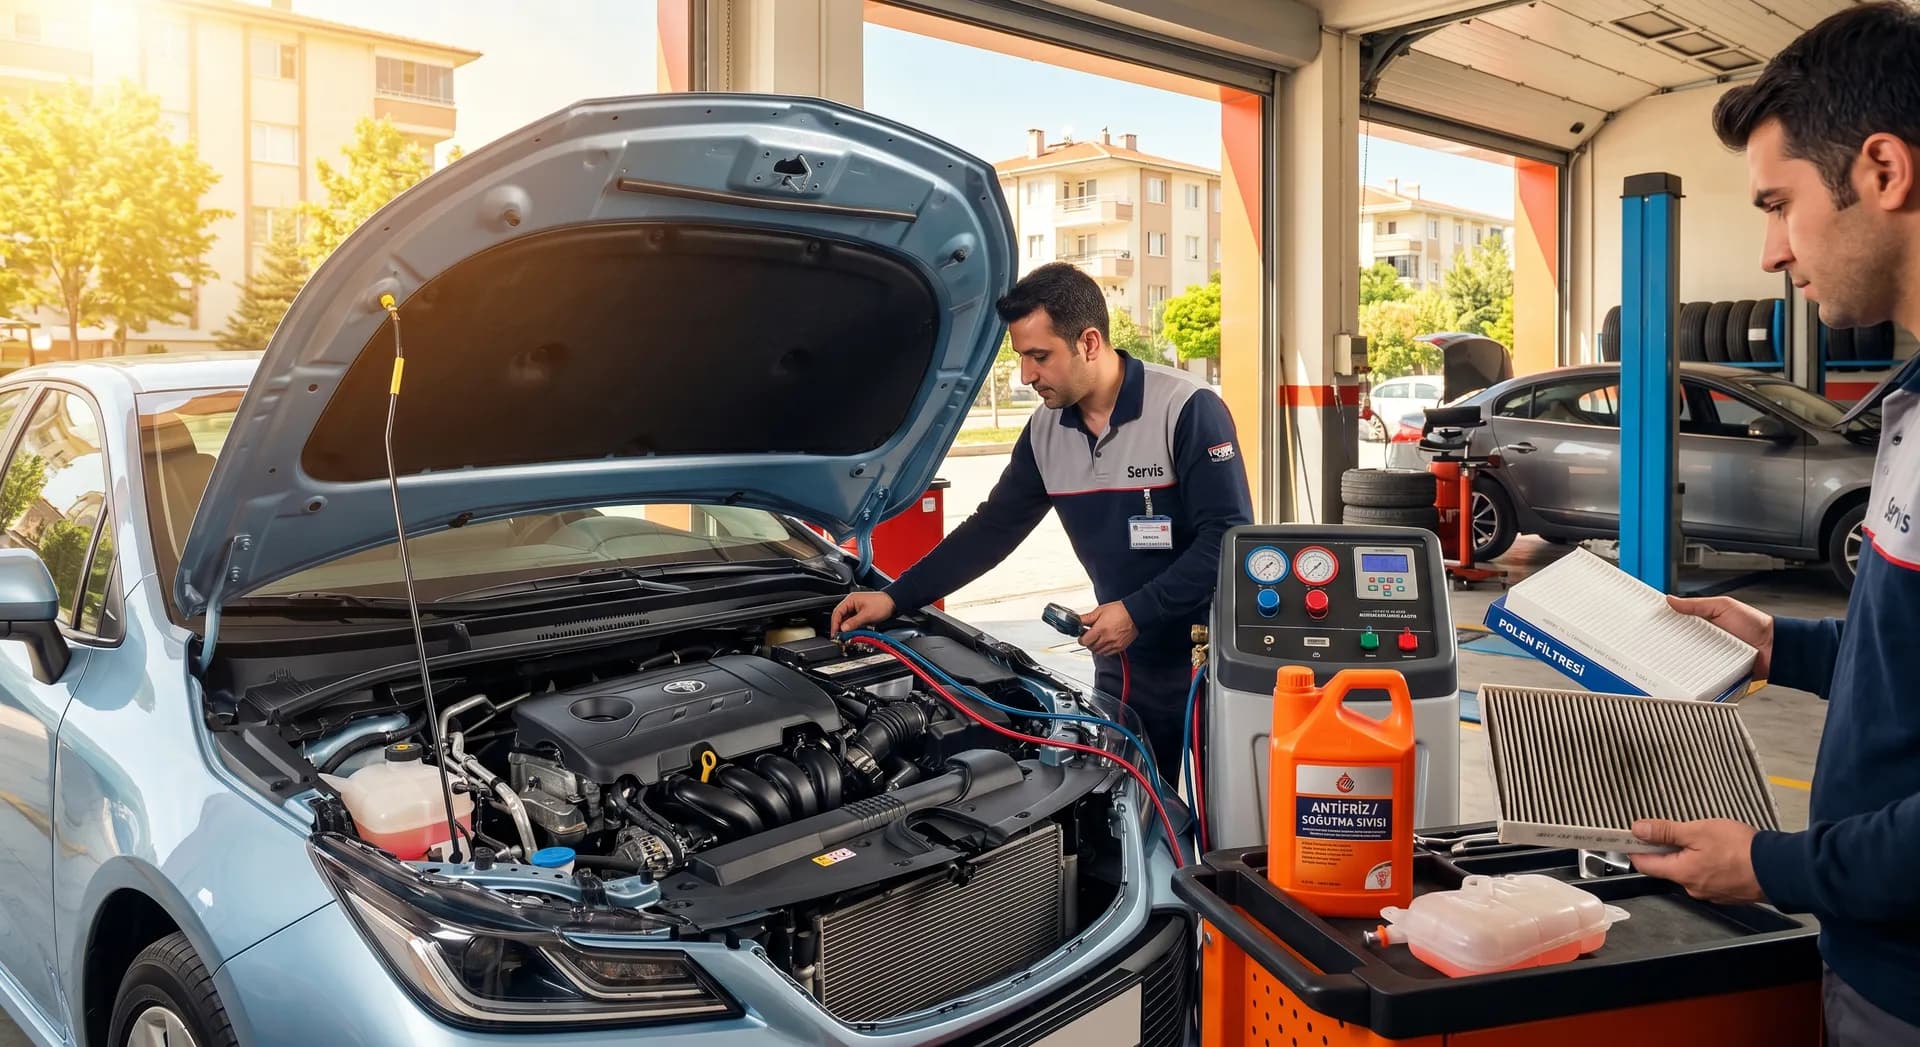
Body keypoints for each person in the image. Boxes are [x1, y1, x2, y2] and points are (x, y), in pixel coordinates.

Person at [1628, 5, 1920, 1042]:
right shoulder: (1911, 406)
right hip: (1874, 958)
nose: (1768, 254)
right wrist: (1777, 644)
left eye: (1778, 205)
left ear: (1883, 170)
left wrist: (1771, 864)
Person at [830, 262, 1253, 784]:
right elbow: (991, 530)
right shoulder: (1045, 432)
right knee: (1135, 804)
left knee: (1220, 809)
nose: (1027, 375)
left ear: (1089, 343)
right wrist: (895, 597)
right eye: (1021, 358)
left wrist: (1138, 611)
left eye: (1039, 356)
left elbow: (1227, 541)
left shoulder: (1184, 407)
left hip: (1208, 655)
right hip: (1123, 657)